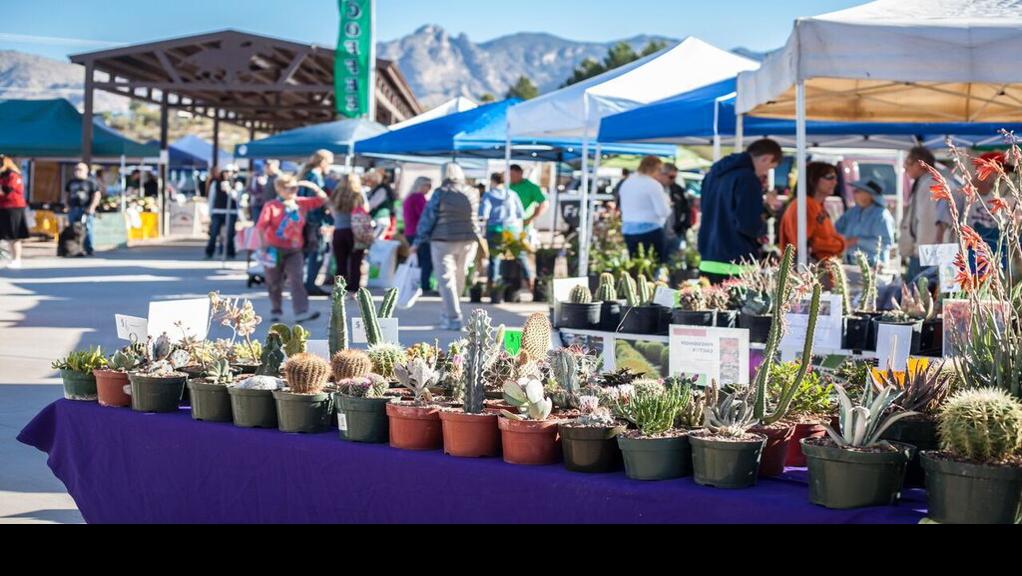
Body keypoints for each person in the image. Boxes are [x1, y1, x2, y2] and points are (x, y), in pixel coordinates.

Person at [698, 139, 783, 283]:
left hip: (708, 258)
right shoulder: (748, 178)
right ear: (766, 158)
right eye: (769, 168)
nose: (765, 173)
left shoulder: (713, 174)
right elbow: (748, 224)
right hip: (737, 263)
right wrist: (766, 210)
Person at [414, 163, 484, 332]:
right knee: (460, 276)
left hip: (442, 240)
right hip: (468, 240)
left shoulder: (440, 192)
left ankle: (453, 318)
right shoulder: (472, 192)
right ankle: (449, 312)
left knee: (446, 279)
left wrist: (418, 241)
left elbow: (428, 218)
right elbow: (475, 218)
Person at [256, 174, 328, 324]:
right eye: (290, 188)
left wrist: (312, 186)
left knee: (297, 279)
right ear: (280, 189)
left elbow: (323, 200)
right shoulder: (272, 206)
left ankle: (301, 311)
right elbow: (261, 227)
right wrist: (263, 246)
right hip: (274, 249)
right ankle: (276, 310)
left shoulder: (300, 203)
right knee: (274, 282)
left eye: (295, 188)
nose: (294, 191)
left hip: (294, 250)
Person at [900, 146, 952, 280]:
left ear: (919, 164)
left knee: (921, 288)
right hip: (933, 250)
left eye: (908, 163)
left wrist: (919, 250)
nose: (905, 168)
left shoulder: (930, 184)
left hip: (928, 252)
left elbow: (927, 220)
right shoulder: (929, 181)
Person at [779, 162, 846, 263]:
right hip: (808, 268)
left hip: (824, 266)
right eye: (830, 177)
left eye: (836, 178)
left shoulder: (817, 206)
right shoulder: (803, 205)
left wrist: (838, 243)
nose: (835, 182)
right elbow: (805, 244)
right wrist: (838, 244)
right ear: (813, 179)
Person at [618, 156, 672, 264]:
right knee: (655, 265)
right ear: (654, 168)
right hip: (651, 230)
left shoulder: (626, 183)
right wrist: (668, 204)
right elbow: (663, 212)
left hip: (628, 229)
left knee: (635, 265)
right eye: (659, 169)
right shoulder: (653, 185)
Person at [480, 172, 529, 288]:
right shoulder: (512, 194)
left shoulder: (488, 195)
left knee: (495, 259)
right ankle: (531, 282)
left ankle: (494, 287)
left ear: (493, 181)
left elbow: (484, 214)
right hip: (512, 230)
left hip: (495, 229)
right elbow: (521, 214)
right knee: (520, 257)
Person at [835, 179, 897, 267]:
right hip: (849, 264)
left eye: (857, 191)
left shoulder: (881, 216)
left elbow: (886, 244)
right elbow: (835, 230)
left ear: (869, 195)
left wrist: (857, 241)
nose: (853, 193)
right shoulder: (852, 212)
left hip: (874, 268)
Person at [299, 150, 335, 297]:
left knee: (309, 253)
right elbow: (313, 202)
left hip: (308, 220)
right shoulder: (315, 177)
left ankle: (306, 283)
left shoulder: (308, 175)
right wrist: (321, 220)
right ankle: (310, 285)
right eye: (329, 163)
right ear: (323, 162)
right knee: (317, 253)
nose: (330, 167)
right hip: (314, 221)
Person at [331, 174, 369, 296]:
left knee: (340, 263)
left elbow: (332, 210)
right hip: (355, 230)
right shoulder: (358, 193)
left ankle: (339, 290)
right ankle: (354, 290)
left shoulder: (336, 193)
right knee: (356, 262)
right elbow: (366, 209)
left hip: (339, 230)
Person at [403, 176, 435, 295]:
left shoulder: (409, 197)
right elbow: (425, 216)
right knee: (426, 260)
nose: (429, 189)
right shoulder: (418, 198)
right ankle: (425, 286)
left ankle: (418, 285)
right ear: (421, 185)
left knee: (419, 260)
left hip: (410, 232)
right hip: (418, 233)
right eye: (428, 186)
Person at [64, 162, 102, 257]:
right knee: (73, 230)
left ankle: (89, 249)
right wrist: (66, 205)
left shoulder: (91, 182)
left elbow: (96, 195)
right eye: (76, 169)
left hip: (85, 209)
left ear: (86, 171)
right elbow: (66, 194)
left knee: (87, 229)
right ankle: (75, 249)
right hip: (73, 209)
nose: (77, 171)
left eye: (80, 169)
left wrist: (92, 207)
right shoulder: (71, 182)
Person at [205, 165, 240, 260]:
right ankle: (209, 252)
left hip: (231, 212)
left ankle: (230, 253)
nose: (227, 174)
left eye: (229, 172)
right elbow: (211, 198)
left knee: (230, 234)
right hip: (217, 211)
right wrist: (210, 212)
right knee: (213, 233)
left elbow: (237, 198)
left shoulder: (237, 183)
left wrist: (229, 190)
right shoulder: (215, 183)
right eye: (225, 171)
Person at [0, 156, 29, 268]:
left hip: (14, 207)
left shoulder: (13, 175)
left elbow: (7, 191)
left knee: (14, 235)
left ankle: (17, 259)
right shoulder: (3, 176)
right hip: (4, 207)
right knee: (7, 235)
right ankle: (13, 258)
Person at [660, 162, 692, 252]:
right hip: (659, 232)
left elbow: (686, 209)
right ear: (663, 174)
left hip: (676, 232)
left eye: (675, 177)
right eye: (671, 177)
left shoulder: (678, 189)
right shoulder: (655, 188)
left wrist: (685, 226)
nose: (673, 180)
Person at [366, 169, 398, 240]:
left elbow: (371, 204)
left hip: (380, 220)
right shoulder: (381, 189)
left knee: (374, 241)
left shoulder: (382, 190)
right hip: (378, 220)